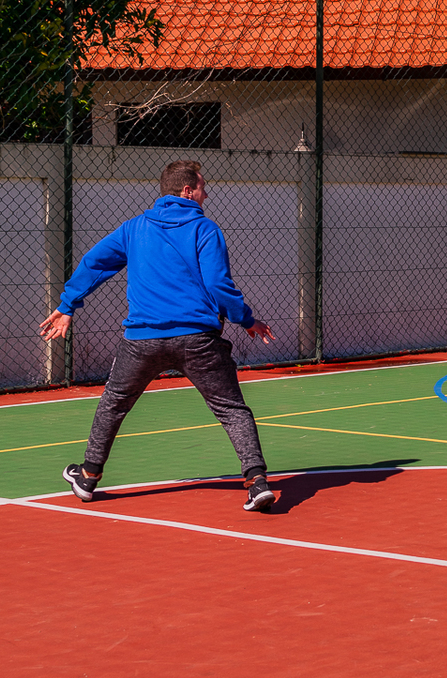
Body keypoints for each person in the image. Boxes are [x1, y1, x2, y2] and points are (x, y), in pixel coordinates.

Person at [39, 160, 278, 511]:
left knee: (114, 403)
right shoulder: (205, 229)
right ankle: (257, 483)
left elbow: (94, 262)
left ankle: (88, 477)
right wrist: (245, 319)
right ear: (187, 191)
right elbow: (217, 283)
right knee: (232, 410)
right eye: (202, 187)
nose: (206, 193)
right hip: (198, 339)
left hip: (142, 341)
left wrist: (68, 304)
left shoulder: (135, 228)